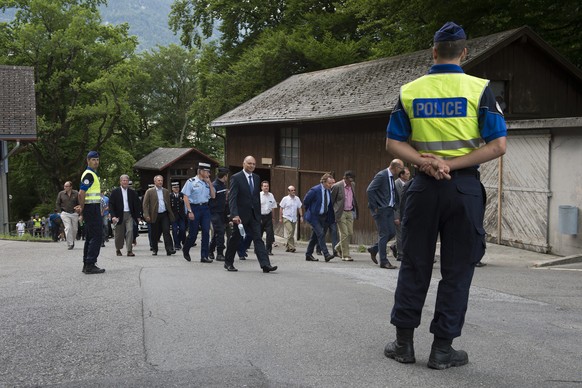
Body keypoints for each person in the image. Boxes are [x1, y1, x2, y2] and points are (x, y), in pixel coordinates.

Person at [383, 22, 507, 370]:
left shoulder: (410, 91)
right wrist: (452, 164)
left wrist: (427, 162)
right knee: (457, 270)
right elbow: (498, 145)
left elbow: (393, 143)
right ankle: (442, 350)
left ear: (433, 51)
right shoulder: (480, 89)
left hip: (422, 186)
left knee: (414, 264)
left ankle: (404, 344)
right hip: (464, 187)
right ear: (464, 53)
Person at [223, 156, 278, 273]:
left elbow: (256, 198)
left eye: (254, 164)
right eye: (249, 163)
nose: (252, 166)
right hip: (241, 216)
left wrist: (259, 214)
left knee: (258, 239)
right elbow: (232, 198)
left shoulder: (257, 178)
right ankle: (228, 262)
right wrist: (234, 215)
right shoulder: (236, 178)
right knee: (236, 239)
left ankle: (265, 264)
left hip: (254, 216)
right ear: (244, 164)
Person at [366, 159, 403, 270]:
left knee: (391, 232)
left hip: (389, 209)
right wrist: (375, 207)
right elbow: (370, 190)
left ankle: (374, 248)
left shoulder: (391, 177)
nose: (401, 171)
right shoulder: (382, 175)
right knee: (384, 234)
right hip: (381, 210)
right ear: (396, 167)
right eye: (401, 168)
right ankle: (384, 261)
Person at [75, 151, 105, 274]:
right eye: (93, 160)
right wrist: (81, 208)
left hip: (92, 207)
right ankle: (90, 264)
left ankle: (87, 263)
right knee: (97, 236)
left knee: (90, 236)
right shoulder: (89, 174)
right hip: (91, 208)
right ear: (88, 161)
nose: (96, 162)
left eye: (97, 159)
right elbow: (81, 193)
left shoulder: (92, 174)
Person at [182, 162, 216, 263]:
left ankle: (204, 256)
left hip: (205, 208)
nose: (208, 174)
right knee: (193, 233)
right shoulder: (191, 181)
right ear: (201, 171)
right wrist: (189, 211)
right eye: (207, 172)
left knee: (206, 232)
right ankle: (186, 248)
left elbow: (213, 196)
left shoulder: (207, 183)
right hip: (194, 208)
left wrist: (209, 183)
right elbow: (185, 197)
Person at [304, 173, 335, 262]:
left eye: (331, 183)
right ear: (324, 182)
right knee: (321, 234)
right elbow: (306, 201)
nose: (330, 185)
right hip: (314, 216)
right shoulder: (315, 190)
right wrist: (310, 211)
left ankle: (308, 254)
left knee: (315, 236)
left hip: (323, 216)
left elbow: (328, 205)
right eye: (329, 183)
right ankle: (326, 254)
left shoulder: (328, 191)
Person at [142, 175, 176, 256]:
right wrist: (146, 215)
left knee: (166, 231)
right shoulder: (149, 191)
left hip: (164, 214)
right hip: (154, 215)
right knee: (155, 233)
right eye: (159, 180)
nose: (160, 182)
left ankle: (169, 249)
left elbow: (168, 204)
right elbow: (145, 204)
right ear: (155, 182)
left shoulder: (166, 191)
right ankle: (154, 248)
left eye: (161, 180)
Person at [109, 174, 142, 257]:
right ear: (120, 182)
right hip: (119, 215)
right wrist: (113, 216)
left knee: (130, 231)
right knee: (119, 234)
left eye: (126, 180)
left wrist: (138, 216)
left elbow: (137, 205)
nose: (125, 182)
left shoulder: (132, 192)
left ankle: (129, 250)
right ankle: (118, 249)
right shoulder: (115, 192)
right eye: (123, 180)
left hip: (129, 214)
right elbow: (111, 204)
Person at [331, 170, 358, 261]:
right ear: (344, 178)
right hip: (340, 212)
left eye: (352, 180)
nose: (351, 182)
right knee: (344, 233)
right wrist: (334, 212)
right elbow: (332, 201)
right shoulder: (337, 186)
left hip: (350, 211)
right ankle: (345, 255)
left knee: (350, 233)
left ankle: (337, 248)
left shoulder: (353, 185)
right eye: (349, 181)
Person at [209, 167, 229, 261]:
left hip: (222, 212)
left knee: (218, 232)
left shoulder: (223, 185)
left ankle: (210, 250)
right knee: (220, 232)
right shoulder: (214, 185)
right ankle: (220, 253)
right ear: (224, 176)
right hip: (214, 212)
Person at [391, 167, 411, 261]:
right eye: (407, 174)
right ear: (401, 175)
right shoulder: (395, 184)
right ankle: (400, 254)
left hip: (407, 212)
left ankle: (394, 246)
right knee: (400, 234)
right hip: (399, 212)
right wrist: (396, 216)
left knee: (407, 233)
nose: (409, 175)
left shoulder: (409, 183)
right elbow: (395, 202)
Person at [279, 185, 303, 252]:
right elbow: (281, 208)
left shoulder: (297, 199)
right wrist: (280, 218)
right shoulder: (285, 199)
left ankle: (288, 246)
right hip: (286, 217)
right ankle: (292, 247)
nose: (293, 191)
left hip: (294, 218)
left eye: (294, 190)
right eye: (292, 190)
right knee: (290, 231)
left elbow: (299, 207)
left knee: (291, 233)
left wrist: (301, 216)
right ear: (288, 191)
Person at [56, 181, 80, 250]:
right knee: (68, 227)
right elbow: (57, 203)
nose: (65, 187)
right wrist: (60, 212)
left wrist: (78, 208)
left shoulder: (76, 193)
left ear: (71, 187)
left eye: (66, 186)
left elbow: (79, 203)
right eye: (64, 186)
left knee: (75, 229)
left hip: (74, 213)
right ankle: (70, 244)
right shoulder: (61, 194)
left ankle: (72, 240)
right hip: (65, 213)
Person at [260, 181, 278, 255]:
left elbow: (273, 207)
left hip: (268, 216)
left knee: (270, 234)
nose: (266, 187)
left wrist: (273, 217)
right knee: (259, 234)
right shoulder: (259, 195)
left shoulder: (271, 195)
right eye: (264, 186)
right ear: (261, 187)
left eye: (267, 186)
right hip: (260, 216)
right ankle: (258, 249)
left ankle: (268, 250)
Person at [170, 182, 187, 251]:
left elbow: (186, 204)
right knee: (174, 230)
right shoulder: (170, 196)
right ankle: (176, 244)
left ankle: (181, 240)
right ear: (172, 188)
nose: (176, 189)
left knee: (182, 229)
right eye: (175, 187)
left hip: (181, 216)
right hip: (174, 216)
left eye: (177, 187)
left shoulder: (182, 195)